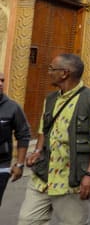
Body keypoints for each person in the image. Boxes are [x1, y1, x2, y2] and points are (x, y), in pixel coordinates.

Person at [19, 54, 90, 224]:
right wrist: (38, 150)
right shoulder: (51, 99)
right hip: (43, 175)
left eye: (51, 69)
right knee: (27, 220)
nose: (48, 72)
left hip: (71, 180)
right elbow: (43, 129)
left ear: (64, 73)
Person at [0, 71, 31, 206]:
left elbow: (23, 134)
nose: (0, 84)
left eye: (2, 80)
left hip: (1, 166)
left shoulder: (12, 107)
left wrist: (19, 164)